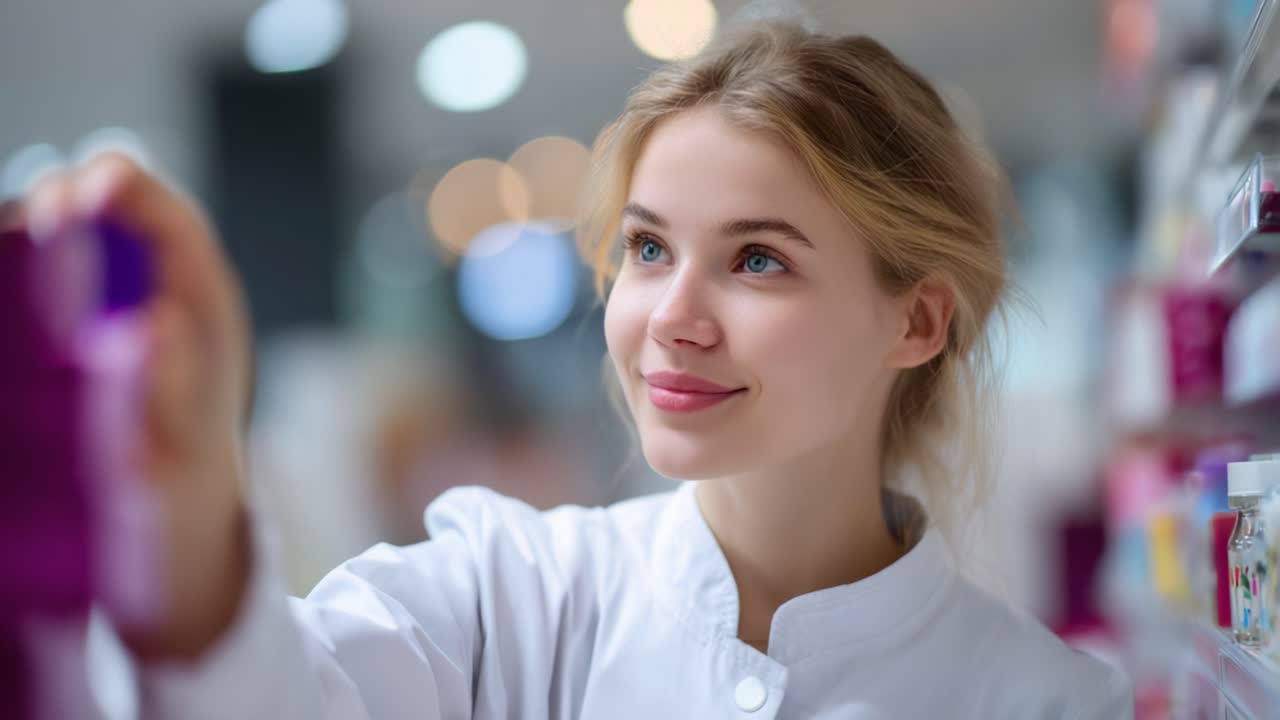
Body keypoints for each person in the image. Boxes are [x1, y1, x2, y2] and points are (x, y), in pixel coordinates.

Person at [17, 20, 1132, 719]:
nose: (670, 319)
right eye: (647, 248)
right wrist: (190, 510)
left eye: (756, 259)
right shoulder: (511, 596)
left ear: (915, 321)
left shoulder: (1047, 700)